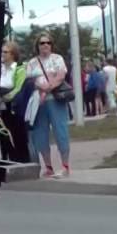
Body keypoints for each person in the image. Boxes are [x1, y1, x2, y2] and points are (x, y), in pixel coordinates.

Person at [27, 34, 71, 178]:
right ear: (37, 46)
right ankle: (48, 166)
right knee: (40, 134)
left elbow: (61, 76)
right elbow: (30, 80)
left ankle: (65, 166)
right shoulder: (32, 62)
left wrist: (48, 87)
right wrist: (40, 86)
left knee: (61, 131)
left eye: (48, 43)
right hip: (38, 102)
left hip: (55, 100)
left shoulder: (57, 59)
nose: (45, 45)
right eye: (42, 43)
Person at [0, 41, 30, 162]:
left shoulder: (19, 68)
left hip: (14, 105)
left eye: (5, 52)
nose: (3, 54)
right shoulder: (0, 69)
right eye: (2, 51)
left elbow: (19, 87)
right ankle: (7, 159)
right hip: (0, 105)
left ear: (13, 54)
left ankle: (23, 160)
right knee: (3, 135)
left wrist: (5, 97)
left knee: (18, 135)